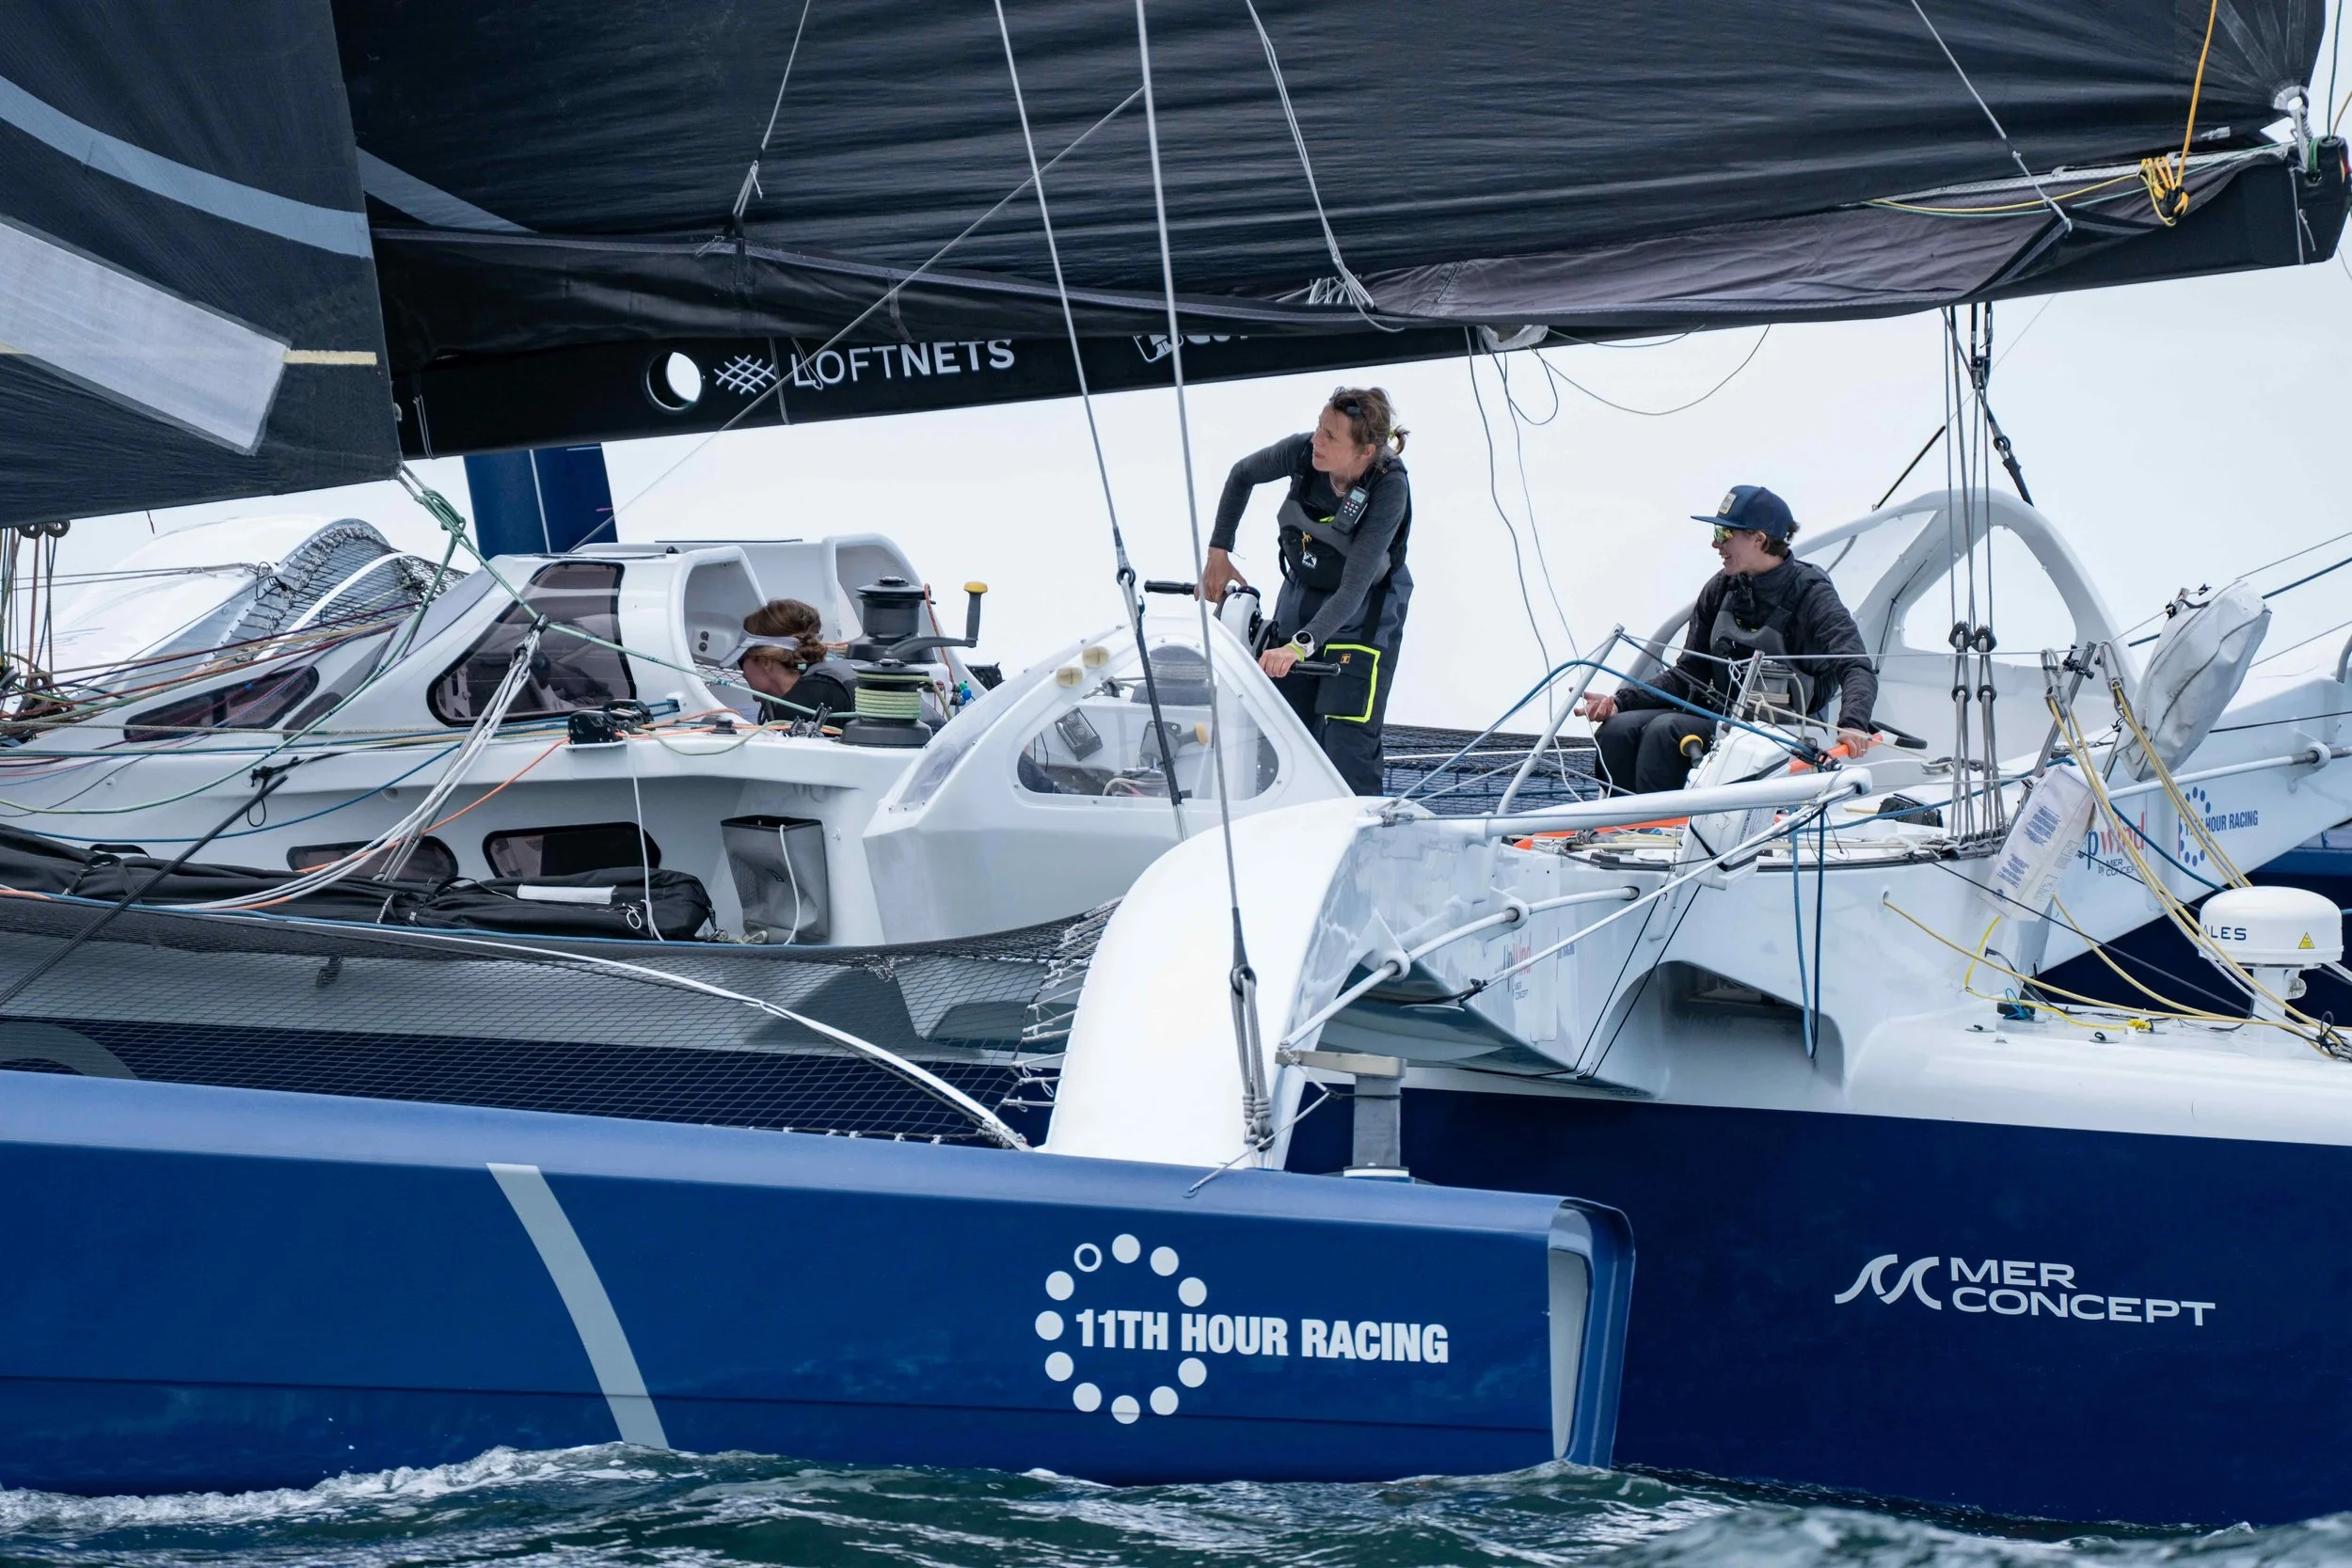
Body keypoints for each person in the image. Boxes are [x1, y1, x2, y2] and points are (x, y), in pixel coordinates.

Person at [1578, 484, 1876, 794]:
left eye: (1723, 534)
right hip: (1721, 718)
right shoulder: (1719, 589)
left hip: (1783, 730)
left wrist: (1853, 723)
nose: (1714, 544)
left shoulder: (1813, 594)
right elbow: (1690, 672)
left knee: (1665, 731)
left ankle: (1662, 834)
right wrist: (1619, 703)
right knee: (1617, 730)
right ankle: (1614, 834)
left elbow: (1855, 665)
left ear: (1758, 538)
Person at [1200, 387, 1411, 795]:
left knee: (1347, 746)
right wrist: (1218, 550)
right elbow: (1242, 474)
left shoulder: (1389, 490)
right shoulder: (1302, 453)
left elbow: (1353, 589)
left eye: (1331, 436)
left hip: (1365, 612)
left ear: (1365, 451)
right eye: (1319, 427)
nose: (1317, 440)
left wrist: (1299, 646)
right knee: (1282, 736)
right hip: (1303, 592)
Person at [736, 598, 857, 721]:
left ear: (766, 662)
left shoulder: (795, 712)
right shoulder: (829, 682)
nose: (743, 674)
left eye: (742, 659)